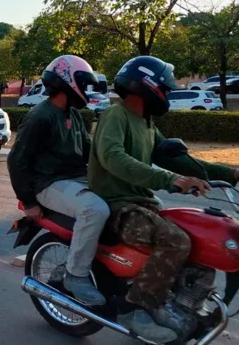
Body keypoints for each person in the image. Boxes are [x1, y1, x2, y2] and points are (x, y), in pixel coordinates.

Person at [88, 55, 239, 342]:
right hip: (116, 204)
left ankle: (181, 304)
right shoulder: (115, 115)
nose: (168, 94)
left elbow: (182, 162)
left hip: (143, 204)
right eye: (166, 88)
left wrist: (232, 173)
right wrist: (169, 180)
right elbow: (113, 158)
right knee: (175, 240)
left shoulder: (147, 124)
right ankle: (133, 308)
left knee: (198, 237)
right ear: (146, 85)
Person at [8, 55, 109, 307]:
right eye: (83, 84)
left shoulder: (73, 115)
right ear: (67, 82)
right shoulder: (39, 116)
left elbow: (90, 152)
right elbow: (16, 160)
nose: (86, 90)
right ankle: (75, 275)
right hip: (48, 184)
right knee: (94, 209)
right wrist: (28, 200)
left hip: (75, 180)